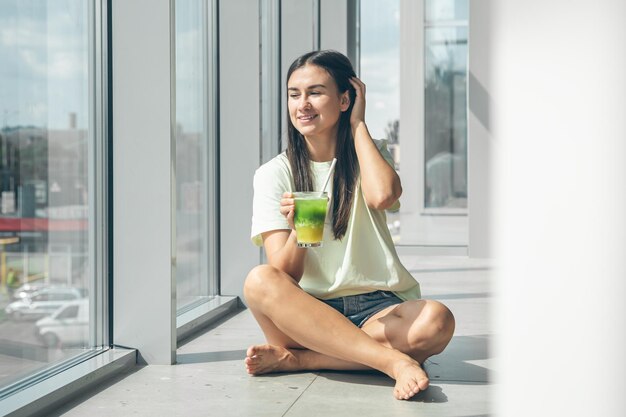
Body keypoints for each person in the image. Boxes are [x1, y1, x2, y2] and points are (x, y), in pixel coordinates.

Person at [244, 50, 455, 401]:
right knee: (258, 279)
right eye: (294, 95)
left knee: (438, 320)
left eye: (315, 92)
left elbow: (383, 196)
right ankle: (391, 362)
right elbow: (282, 277)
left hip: (378, 308)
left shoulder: (370, 154)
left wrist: (359, 125)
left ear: (345, 99)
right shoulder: (273, 174)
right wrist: (300, 230)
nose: (303, 105)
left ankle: (303, 360)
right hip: (307, 314)